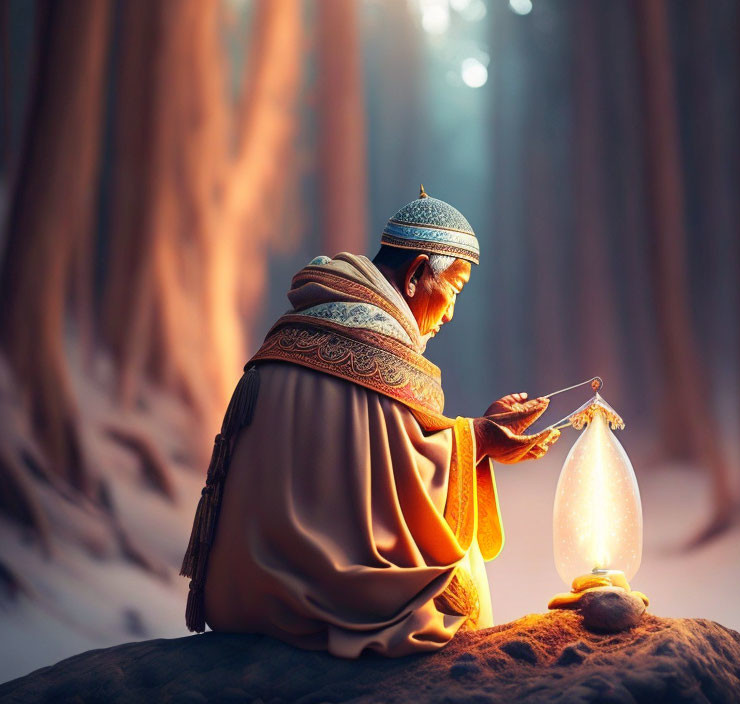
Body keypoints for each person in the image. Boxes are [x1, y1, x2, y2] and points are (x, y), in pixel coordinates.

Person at [180, 186, 561, 657]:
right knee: (461, 576)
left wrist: (477, 435)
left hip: (245, 594)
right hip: (320, 601)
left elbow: (368, 469)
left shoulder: (297, 325)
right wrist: (479, 438)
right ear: (417, 274)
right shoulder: (379, 350)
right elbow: (404, 486)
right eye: (454, 288)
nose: (452, 311)